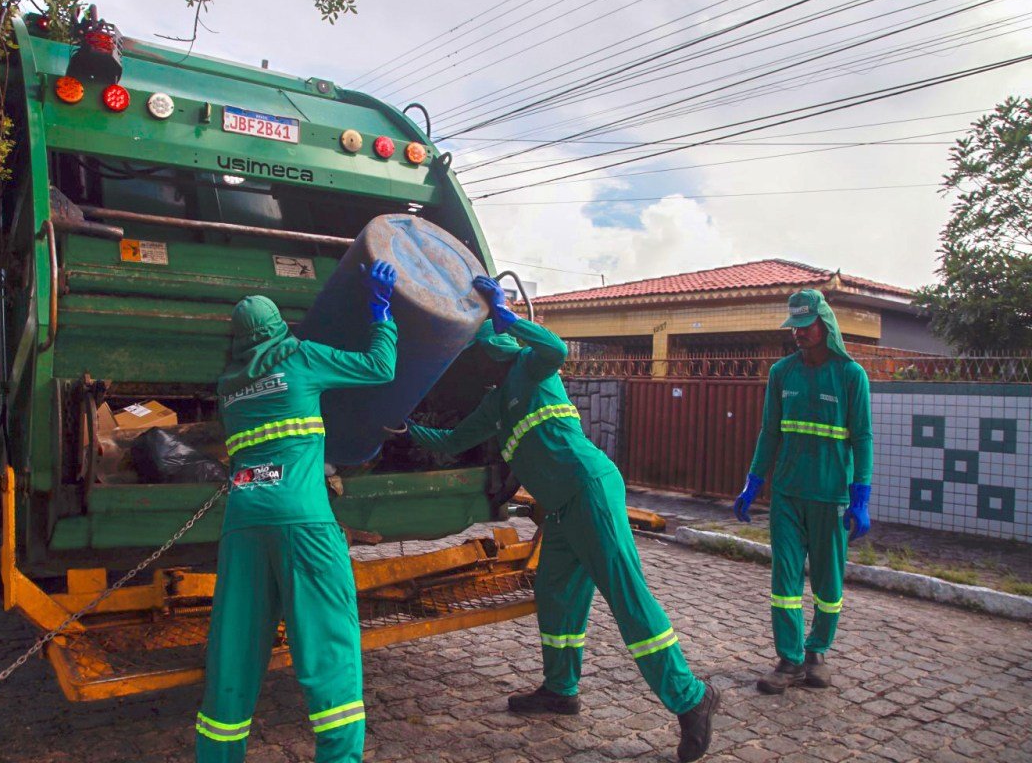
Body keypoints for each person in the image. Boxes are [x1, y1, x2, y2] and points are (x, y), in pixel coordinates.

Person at [397, 275, 719, 763]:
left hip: (589, 489)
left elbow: (555, 348)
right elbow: (452, 440)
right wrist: (404, 428)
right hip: (563, 509)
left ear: (500, 348)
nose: (483, 362)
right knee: (556, 595)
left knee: (627, 596)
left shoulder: (535, 367)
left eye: (486, 353)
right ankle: (560, 690)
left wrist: (509, 316)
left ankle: (691, 697)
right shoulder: (494, 405)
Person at [196, 261, 399, 763]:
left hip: (242, 524)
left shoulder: (228, 387)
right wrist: (382, 313)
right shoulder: (302, 358)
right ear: (277, 328)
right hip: (303, 523)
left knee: (234, 651)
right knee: (328, 647)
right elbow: (381, 367)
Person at [734, 289, 873, 694]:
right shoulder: (782, 373)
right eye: (793, 326)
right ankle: (790, 659)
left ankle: (817, 652)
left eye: (805, 325)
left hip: (830, 498)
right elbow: (769, 432)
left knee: (829, 584)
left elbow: (862, 438)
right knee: (785, 580)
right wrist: (753, 482)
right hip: (788, 497)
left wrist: (860, 497)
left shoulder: (851, 376)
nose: (797, 333)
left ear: (825, 325)